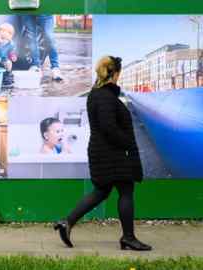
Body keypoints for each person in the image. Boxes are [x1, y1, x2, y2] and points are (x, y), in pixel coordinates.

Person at [54, 56, 152, 251]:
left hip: (101, 151)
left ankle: (67, 222)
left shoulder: (97, 94)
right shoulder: (105, 96)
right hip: (111, 152)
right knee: (125, 190)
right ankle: (128, 237)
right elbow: (108, 127)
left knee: (101, 191)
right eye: (118, 74)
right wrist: (126, 143)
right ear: (114, 73)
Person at [21, 15, 63, 81]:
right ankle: (35, 65)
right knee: (31, 37)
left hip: (44, 10)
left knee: (49, 37)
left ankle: (55, 67)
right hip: (27, 10)